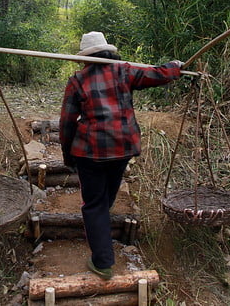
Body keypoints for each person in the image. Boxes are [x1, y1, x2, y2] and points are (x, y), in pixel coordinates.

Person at [59, 31, 183, 280]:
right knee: (105, 198)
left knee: (94, 204)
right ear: (107, 52)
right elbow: (157, 75)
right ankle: (102, 236)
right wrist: (175, 67)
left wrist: (67, 154)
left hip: (90, 152)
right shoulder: (123, 71)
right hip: (122, 148)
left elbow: (67, 122)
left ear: (86, 58)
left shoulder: (78, 81)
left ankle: (103, 262)